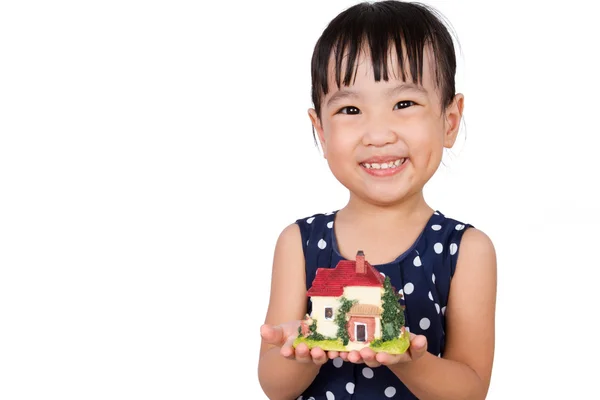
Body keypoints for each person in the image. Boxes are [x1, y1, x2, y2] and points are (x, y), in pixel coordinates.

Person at [257, 1, 497, 399]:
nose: (378, 133)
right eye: (351, 109)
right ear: (320, 131)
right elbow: (274, 387)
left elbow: (470, 390)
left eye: (404, 104)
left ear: (449, 121)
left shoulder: (466, 250)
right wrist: (297, 351)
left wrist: (410, 359)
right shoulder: (298, 243)